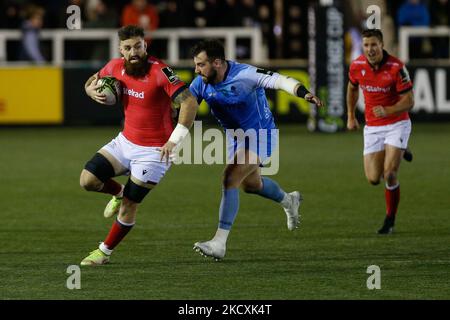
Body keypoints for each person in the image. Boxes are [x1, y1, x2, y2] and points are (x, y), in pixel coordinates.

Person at [189, 39, 323, 260]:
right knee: (251, 185)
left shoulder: (246, 74)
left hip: (261, 135)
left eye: (201, 64)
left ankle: (219, 243)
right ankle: (289, 200)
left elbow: (280, 81)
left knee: (230, 178)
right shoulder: (200, 83)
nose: (196, 70)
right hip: (236, 139)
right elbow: (185, 106)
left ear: (217, 62)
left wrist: (303, 93)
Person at [80, 25, 198, 266]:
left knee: (130, 206)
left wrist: (174, 140)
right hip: (125, 142)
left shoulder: (161, 72)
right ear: (120, 49)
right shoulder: (114, 66)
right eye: (127, 48)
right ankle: (118, 191)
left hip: (154, 152)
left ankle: (103, 252)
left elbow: (190, 102)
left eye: (138, 46)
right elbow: (92, 81)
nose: (133, 52)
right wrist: (90, 91)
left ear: (145, 46)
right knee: (88, 180)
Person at [347, 29, 414, 235]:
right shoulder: (357, 66)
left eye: (374, 45)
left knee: (390, 174)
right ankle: (401, 149)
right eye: (366, 45)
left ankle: (390, 220)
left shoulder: (396, 67)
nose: (370, 49)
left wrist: (388, 110)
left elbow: (410, 101)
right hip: (373, 127)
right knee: (373, 178)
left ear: (382, 45)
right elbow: (352, 88)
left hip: (397, 124)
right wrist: (350, 115)